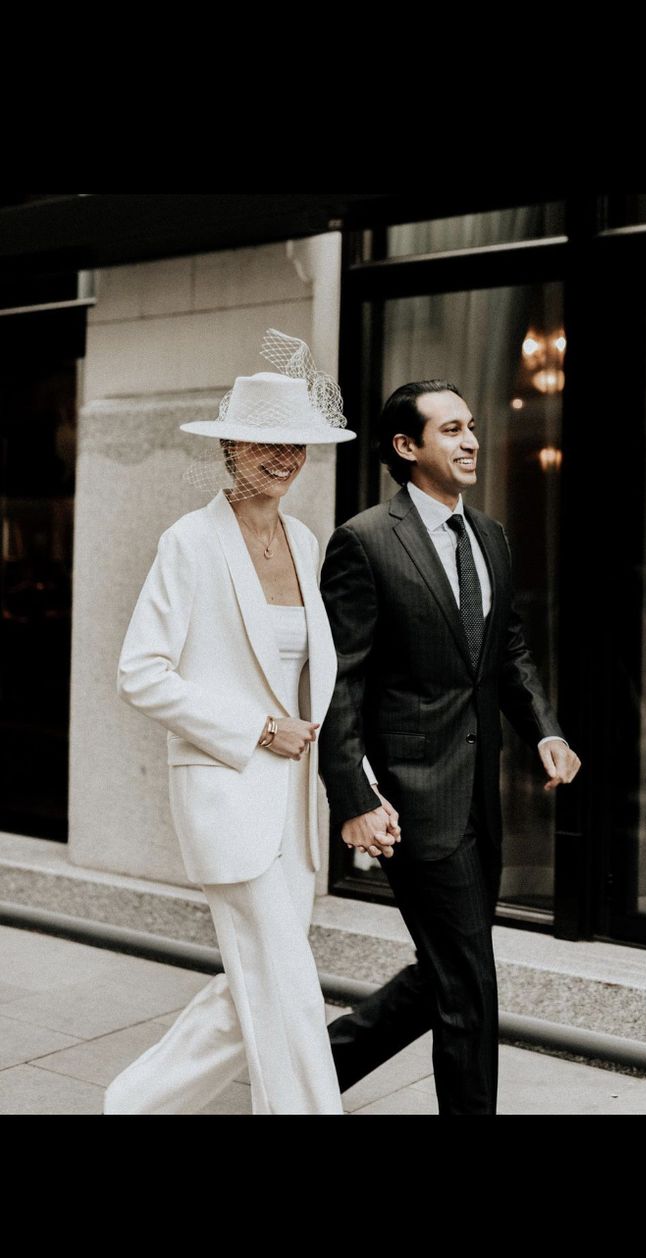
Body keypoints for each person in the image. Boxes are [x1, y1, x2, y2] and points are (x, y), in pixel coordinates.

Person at [103, 330, 355, 1115]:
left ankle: (134, 1101)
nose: (283, 458)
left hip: (295, 808)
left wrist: (352, 784)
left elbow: (314, 676)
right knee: (288, 989)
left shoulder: (305, 540)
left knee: (255, 978)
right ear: (233, 447)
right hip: (228, 790)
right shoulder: (189, 542)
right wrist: (254, 727)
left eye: (298, 447)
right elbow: (138, 672)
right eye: (267, 443)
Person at [318, 380, 581, 1116]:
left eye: (472, 424)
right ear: (406, 447)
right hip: (412, 800)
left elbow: (508, 650)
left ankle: (311, 1068)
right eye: (451, 428)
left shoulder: (490, 535)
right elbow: (339, 683)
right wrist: (355, 797)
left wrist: (547, 729)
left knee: (449, 971)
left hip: (480, 798)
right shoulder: (365, 541)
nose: (470, 440)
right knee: (468, 988)